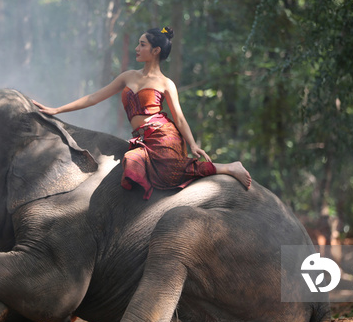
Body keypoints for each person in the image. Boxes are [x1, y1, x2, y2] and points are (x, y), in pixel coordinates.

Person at [33, 26, 251, 200]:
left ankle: (228, 167)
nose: (137, 48)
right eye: (138, 44)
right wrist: (57, 109)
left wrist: (193, 144)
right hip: (142, 138)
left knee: (168, 173)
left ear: (155, 51)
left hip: (164, 135)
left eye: (142, 44)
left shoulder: (166, 83)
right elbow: (94, 97)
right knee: (132, 161)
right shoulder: (128, 76)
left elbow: (180, 118)